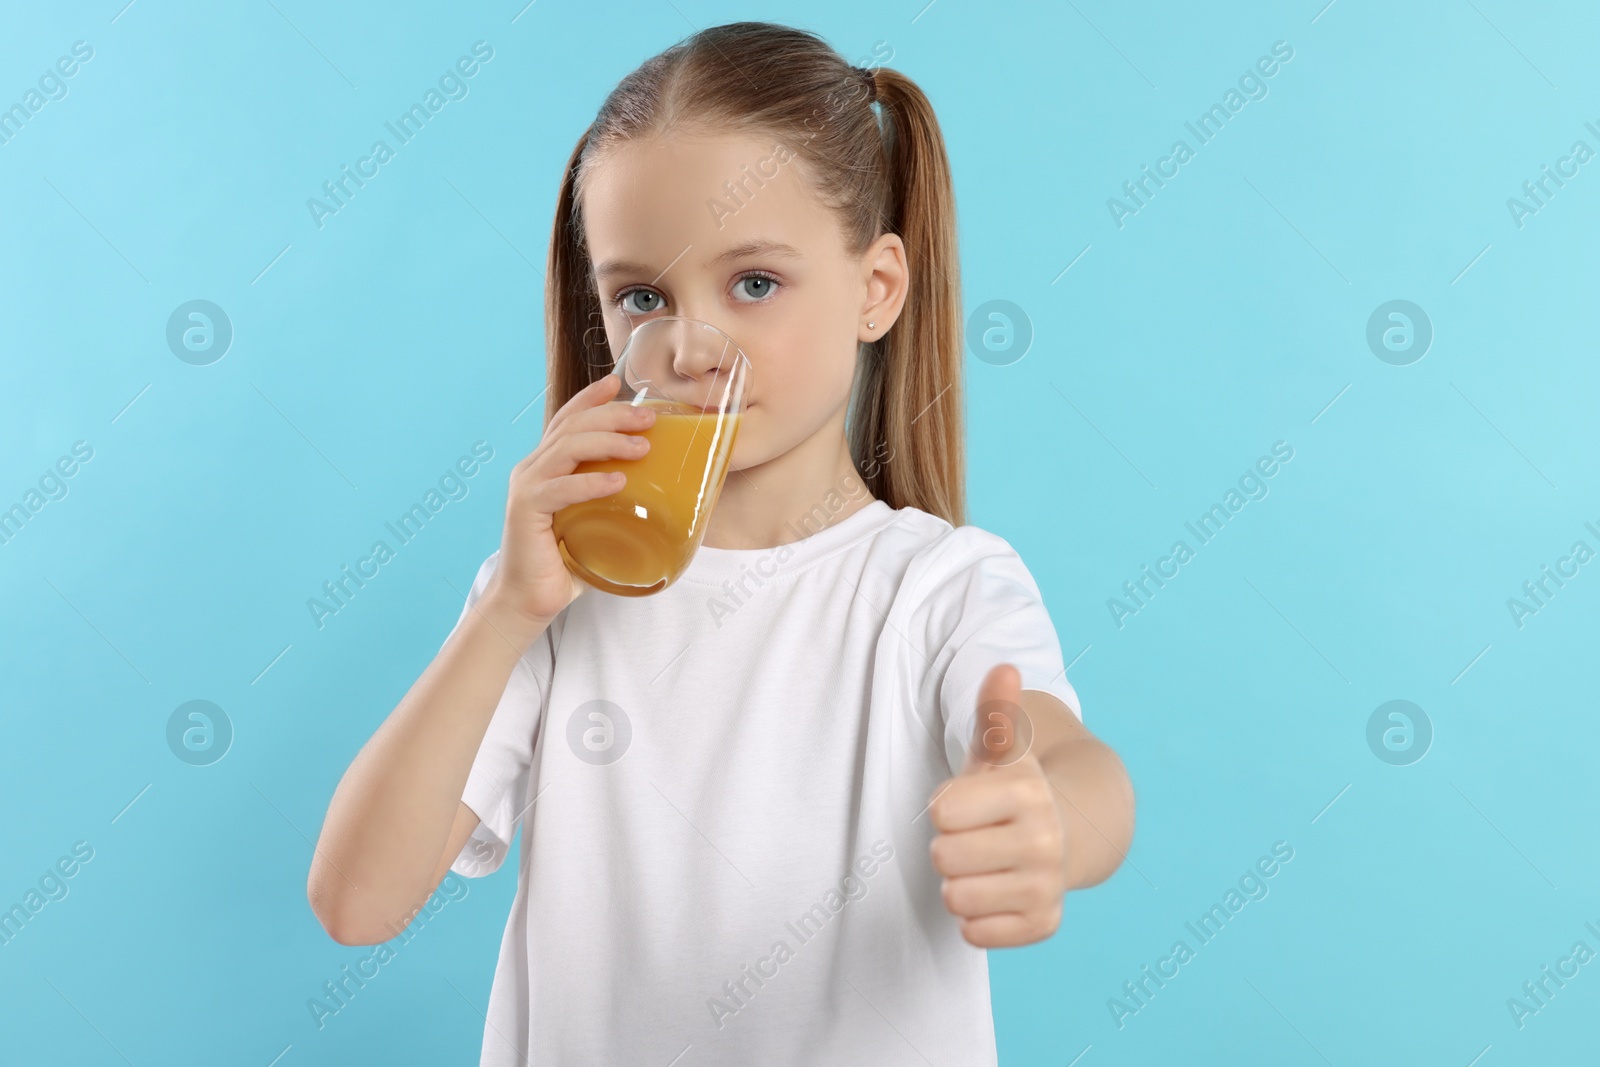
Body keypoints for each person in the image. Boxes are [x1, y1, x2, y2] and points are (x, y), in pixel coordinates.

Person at [308, 20, 1135, 1066]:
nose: (693, 344)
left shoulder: (936, 587)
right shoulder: (552, 594)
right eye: (642, 296)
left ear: (876, 289)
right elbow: (355, 902)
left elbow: (1069, 760)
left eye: (753, 283)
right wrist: (506, 610)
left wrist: (1048, 820)